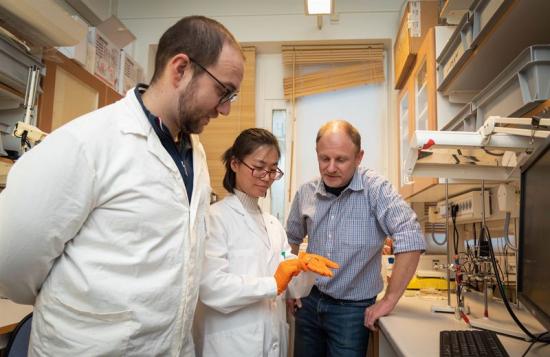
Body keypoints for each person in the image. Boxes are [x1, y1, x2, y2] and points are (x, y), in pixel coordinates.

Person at [0, 16, 244, 356]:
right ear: (180, 69)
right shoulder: (86, 143)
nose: (227, 108)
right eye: (223, 91)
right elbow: (12, 262)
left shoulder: (194, 153)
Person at [193, 128, 338, 357]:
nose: (267, 177)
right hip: (230, 344)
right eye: (259, 167)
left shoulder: (272, 224)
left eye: (272, 170)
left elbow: (289, 282)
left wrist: (304, 268)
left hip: (271, 339)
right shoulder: (214, 218)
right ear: (235, 164)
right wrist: (272, 283)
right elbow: (211, 287)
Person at [286, 120, 426, 357]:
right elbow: (291, 239)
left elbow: (410, 236)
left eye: (340, 159)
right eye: (324, 159)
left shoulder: (377, 189)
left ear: (359, 157)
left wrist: (390, 299)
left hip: (351, 311)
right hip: (308, 303)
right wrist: (291, 288)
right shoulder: (305, 192)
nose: (330, 168)